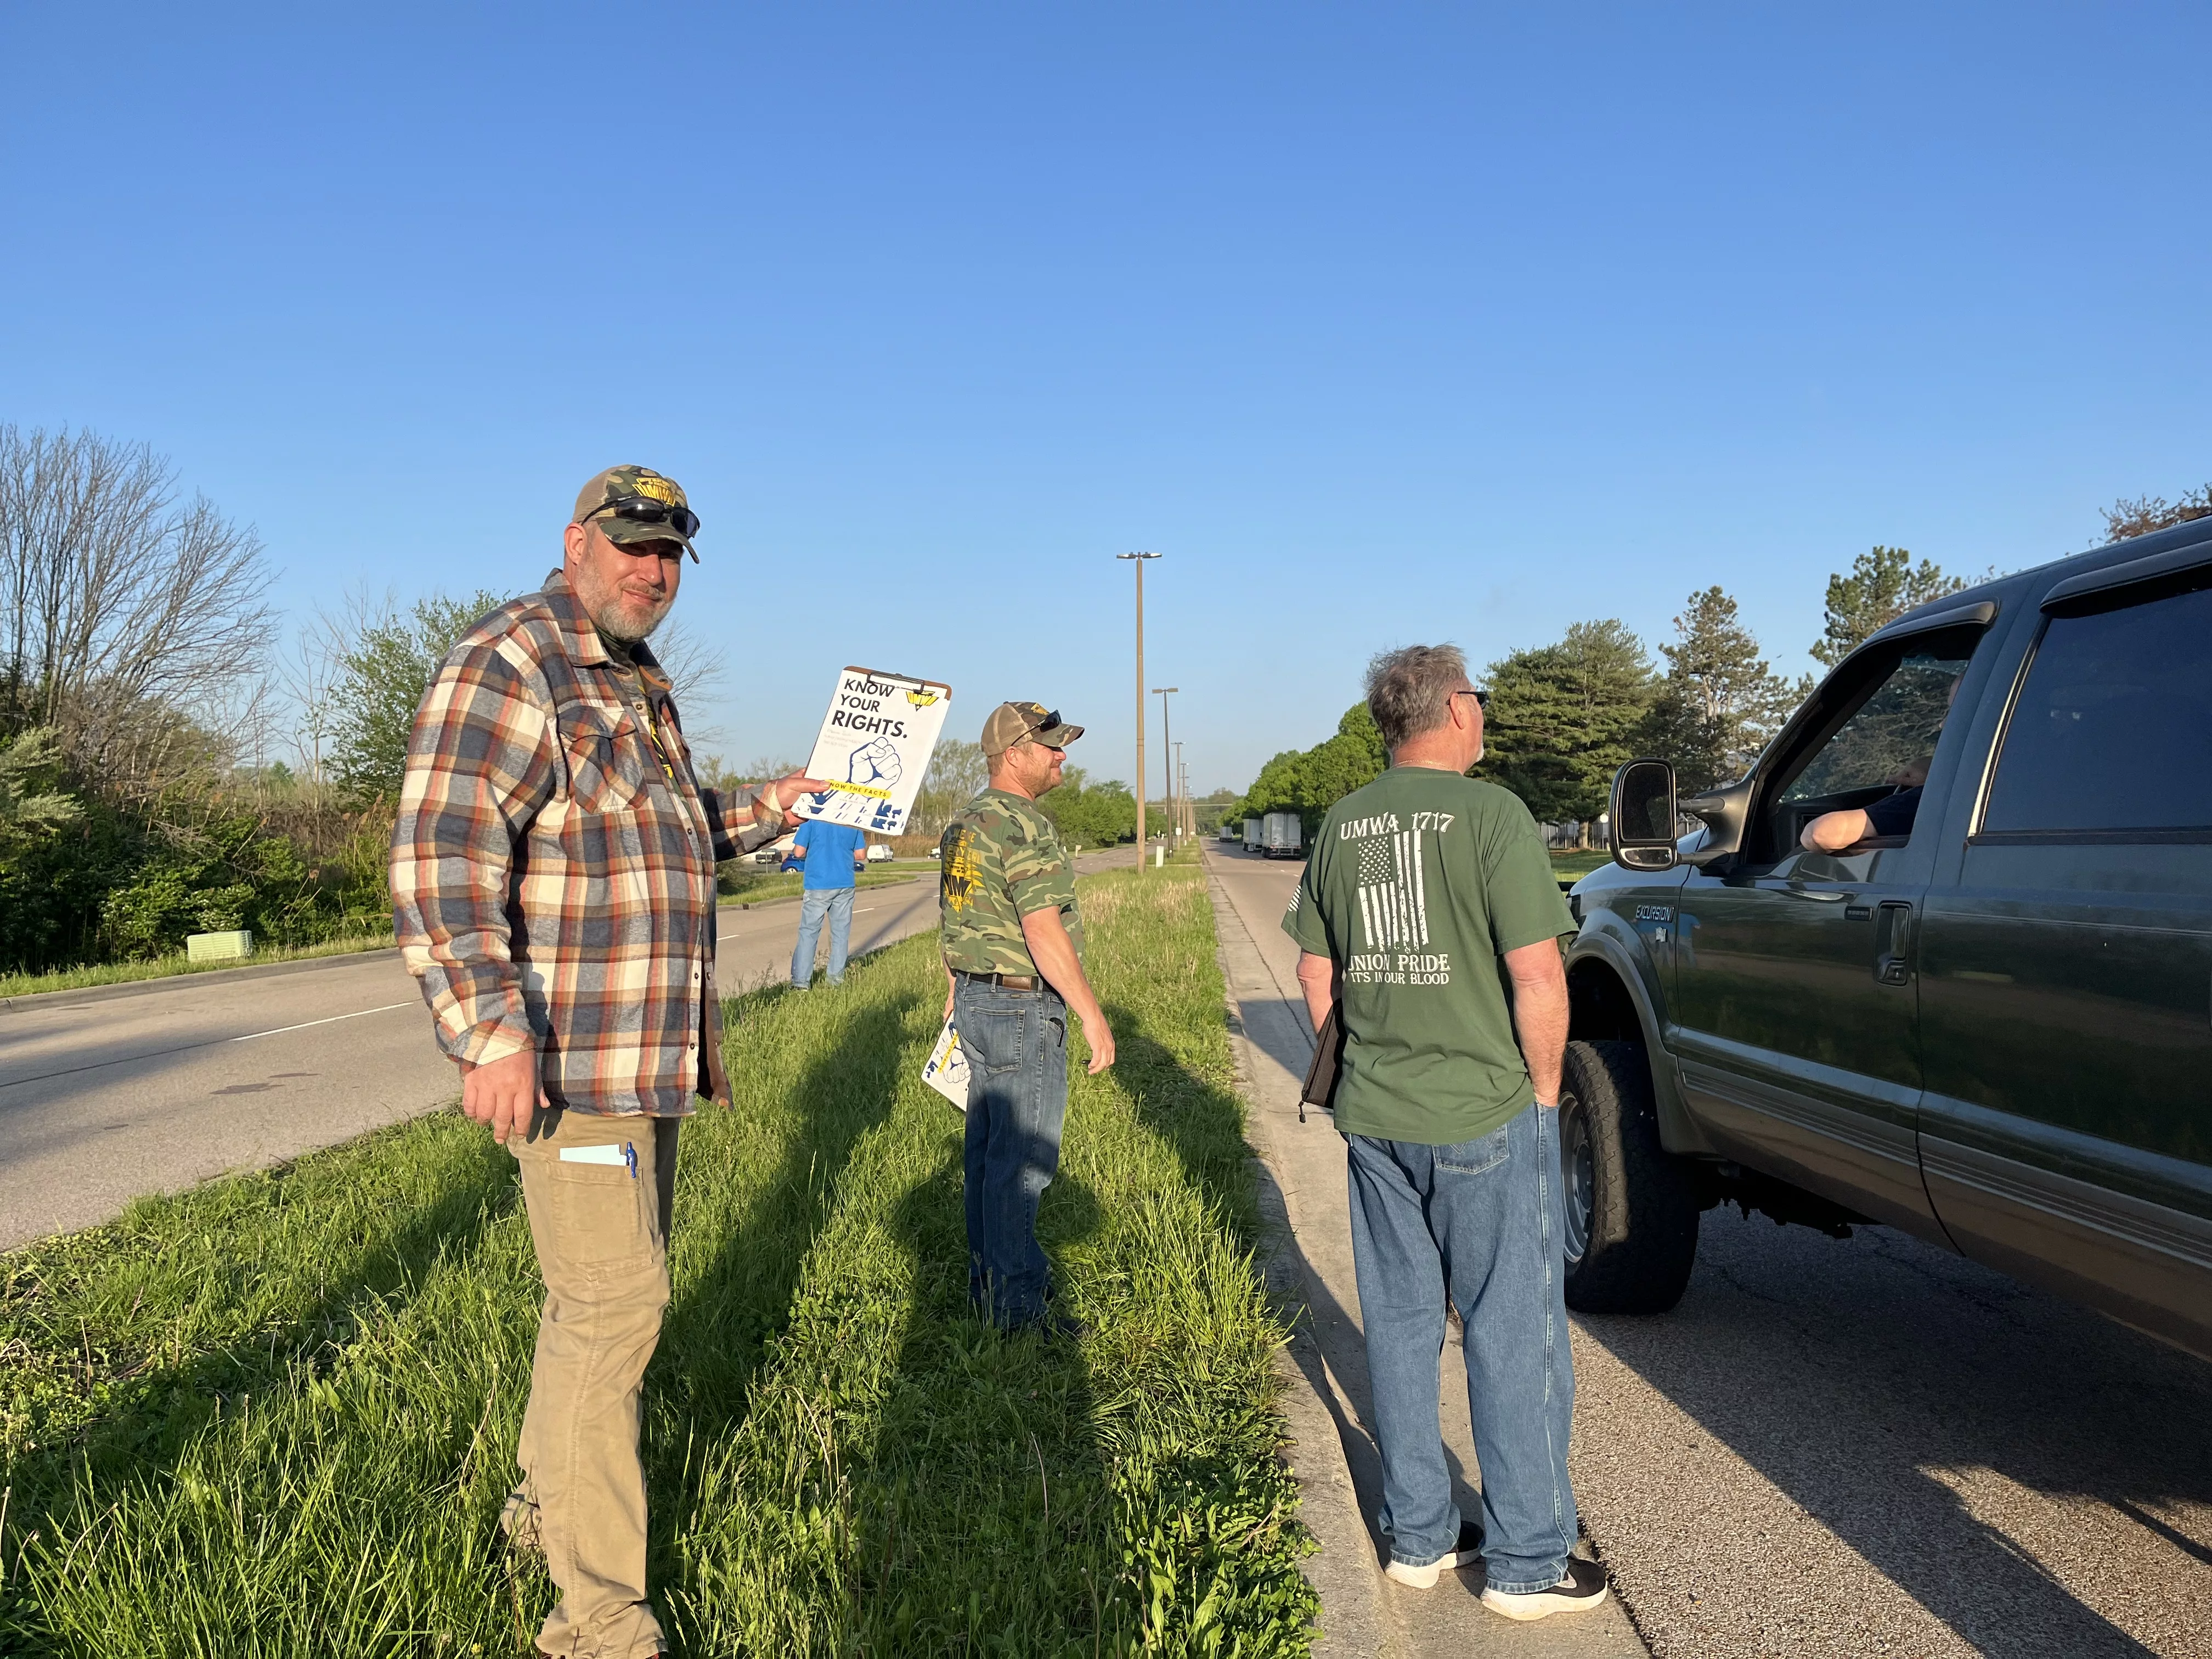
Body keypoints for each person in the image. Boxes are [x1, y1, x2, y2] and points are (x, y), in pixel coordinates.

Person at [390, 464, 823, 1659]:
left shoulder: (632, 681)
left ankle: (544, 1510)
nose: (654, 571)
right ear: (575, 541)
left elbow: (667, 826)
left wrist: (772, 806)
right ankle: (599, 1621)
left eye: (673, 552)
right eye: (633, 545)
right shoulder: (512, 660)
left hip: (646, 1060)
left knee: (596, 1306)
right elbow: (442, 856)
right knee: (616, 1308)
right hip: (570, 1063)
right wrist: (488, 1030)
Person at [1283, 645, 1610, 1621]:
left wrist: (1374, 1063)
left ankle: (1417, 1537)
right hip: (1483, 1113)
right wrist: (1544, 1099)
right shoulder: (1494, 815)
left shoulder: (1344, 822)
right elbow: (1539, 975)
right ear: (1451, 711)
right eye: (1480, 695)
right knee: (1513, 1333)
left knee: (1400, 1323)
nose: (1484, 712)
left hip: (1377, 1118)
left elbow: (1314, 975)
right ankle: (1523, 1560)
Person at [938, 700, 1115, 1334]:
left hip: (979, 1001)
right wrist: (1090, 1013)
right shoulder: (1022, 824)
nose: (1061, 756)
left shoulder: (964, 824)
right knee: (1023, 1165)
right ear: (1014, 755)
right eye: (1050, 747)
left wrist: (958, 986)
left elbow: (956, 917)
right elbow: (1042, 929)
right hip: (1020, 1006)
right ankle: (1017, 1313)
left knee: (987, 1156)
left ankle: (986, 1289)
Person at [789, 815, 868, 987]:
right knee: (841, 935)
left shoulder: (812, 819)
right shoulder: (852, 820)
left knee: (809, 933)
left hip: (818, 883)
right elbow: (861, 854)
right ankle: (835, 981)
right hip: (845, 883)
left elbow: (799, 852)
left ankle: (801, 983)